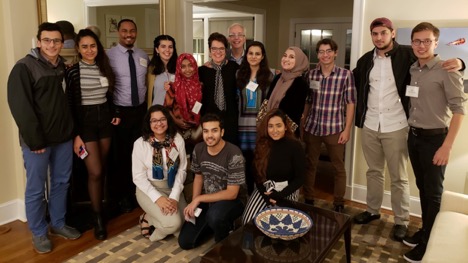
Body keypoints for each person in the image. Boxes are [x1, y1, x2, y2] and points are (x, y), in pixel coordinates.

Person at [352, 17, 463, 242]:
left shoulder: (408, 54)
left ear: (392, 33)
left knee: (398, 177)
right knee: (373, 171)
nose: (379, 38)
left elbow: (435, 63)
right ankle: (373, 210)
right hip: (371, 124)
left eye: (383, 33)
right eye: (375, 34)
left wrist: (461, 61)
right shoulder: (365, 61)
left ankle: (401, 220)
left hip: (397, 125)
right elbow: (349, 81)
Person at [7, 22, 81, 254]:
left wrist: (72, 133)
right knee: (36, 189)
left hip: (63, 138)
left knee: (61, 183)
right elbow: (21, 108)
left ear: (62, 43)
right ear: (38, 42)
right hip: (37, 143)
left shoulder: (61, 67)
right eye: (47, 40)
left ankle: (57, 223)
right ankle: (39, 232)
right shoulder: (24, 68)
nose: (52, 45)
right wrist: (35, 140)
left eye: (56, 41)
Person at [403, 22, 467, 263]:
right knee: (423, 188)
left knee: (434, 194)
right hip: (414, 137)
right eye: (417, 41)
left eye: (427, 41)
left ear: (436, 43)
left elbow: (459, 111)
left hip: (435, 140)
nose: (421, 45)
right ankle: (425, 230)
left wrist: (447, 146)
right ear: (411, 43)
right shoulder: (413, 69)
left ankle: (430, 240)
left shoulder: (448, 69)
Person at [65, 29, 120, 240]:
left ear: (98, 47)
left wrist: (115, 113)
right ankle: (97, 217)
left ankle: (101, 206)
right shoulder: (72, 72)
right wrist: (75, 134)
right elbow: (70, 105)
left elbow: (111, 94)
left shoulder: (105, 67)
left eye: (93, 45)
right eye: (85, 46)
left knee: (102, 167)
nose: (90, 50)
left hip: (104, 121)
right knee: (95, 171)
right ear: (78, 49)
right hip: (84, 124)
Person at [301, 39, 356, 212]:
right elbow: (308, 100)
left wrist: (347, 129)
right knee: (310, 164)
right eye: (321, 52)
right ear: (317, 54)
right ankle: (309, 198)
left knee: (338, 167)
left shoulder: (345, 75)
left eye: (328, 51)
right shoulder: (311, 75)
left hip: (335, 128)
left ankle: (338, 202)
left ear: (335, 53)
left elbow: (350, 103)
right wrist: (303, 122)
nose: (325, 55)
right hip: (313, 128)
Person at [178, 113, 246, 249]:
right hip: (209, 201)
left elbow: (232, 193)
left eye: (214, 130)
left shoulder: (234, 153)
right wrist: (195, 202)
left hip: (233, 201)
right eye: (206, 131)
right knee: (185, 242)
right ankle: (213, 223)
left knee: (215, 216)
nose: (210, 135)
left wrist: (199, 199)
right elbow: (198, 177)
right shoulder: (199, 149)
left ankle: (224, 239)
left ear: (222, 132)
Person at [107, 19, 150, 213]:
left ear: (137, 32)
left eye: (132, 31)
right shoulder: (109, 56)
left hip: (140, 111)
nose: (128, 34)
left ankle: (138, 193)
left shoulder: (142, 55)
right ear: (118, 33)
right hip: (120, 112)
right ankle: (123, 197)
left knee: (140, 154)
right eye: (124, 31)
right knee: (122, 156)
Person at [132, 105, 188, 241]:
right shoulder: (140, 144)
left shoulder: (177, 140)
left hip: (172, 185)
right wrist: (158, 198)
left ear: (168, 121)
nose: (159, 124)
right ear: (149, 123)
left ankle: (151, 217)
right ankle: (152, 226)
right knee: (174, 225)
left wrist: (174, 197)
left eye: (162, 119)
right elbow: (138, 177)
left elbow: (182, 169)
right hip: (149, 189)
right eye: (154, 121)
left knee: (186, 223)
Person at [241, 109, 305, 225]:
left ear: (285, 127)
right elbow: (256, 173)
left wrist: (279, 195)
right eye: (270, 126)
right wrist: (266, 195)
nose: (274, 130)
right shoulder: (261, 144)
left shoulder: (295, 146)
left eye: (278, 126)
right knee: (248, 221)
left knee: (281, 223)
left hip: (288, 189)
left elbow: (300, 178)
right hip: (265, 189)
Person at [236, 41, 274, 194]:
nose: (253, 56)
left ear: (262, 56)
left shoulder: (270, 75)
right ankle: (249, 192)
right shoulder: (239, 74)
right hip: (241, 126)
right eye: (250, 53)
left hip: (260, 127)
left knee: (260, 161)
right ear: (246, 55)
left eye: (257, 53)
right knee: (245, 161)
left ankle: (261, 193)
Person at [199, 32, 240, 145]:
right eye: (214, 48)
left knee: (231, 151)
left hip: (230, 118)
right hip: (209, 120)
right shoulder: (201, 71)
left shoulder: (235, 68)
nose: (218, 52)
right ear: (209, 50)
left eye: (221, 48)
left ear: (226, 50)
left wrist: (273, 72)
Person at [266, 46, 309, 134]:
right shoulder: (278, 77)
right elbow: (266, 102)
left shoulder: (301, 84)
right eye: (285, 55)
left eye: (291, 57)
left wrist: (278, 132)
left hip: (287, 134)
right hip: (270, 130)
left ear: (299, 61)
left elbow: (295, 115)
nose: (286, 59)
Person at [167, 53, 203, 153]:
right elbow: (166, 109)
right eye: (183, 67)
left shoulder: (201, 86)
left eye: (190, 65)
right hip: (177, 129)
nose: (187, 70)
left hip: (197, 131)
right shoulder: (173, 87)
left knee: (196, 158)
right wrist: (176, 121)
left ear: (195, 66)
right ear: (178, 68)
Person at [147, 35, 178, 107]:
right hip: (157, 113)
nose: (167, 50)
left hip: (176, 114)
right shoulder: (150, 70)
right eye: (163, 46)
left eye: (170, 47)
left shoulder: (180, 68)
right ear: (157, 49)